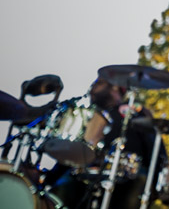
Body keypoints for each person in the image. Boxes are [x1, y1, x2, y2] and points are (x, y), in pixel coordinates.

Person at [47, 77, 162, 209]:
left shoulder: (136, 113)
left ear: (115, 87)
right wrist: (48, 178)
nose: (92, 88)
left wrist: (156, 186)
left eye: (98, 83)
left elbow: (157, 154)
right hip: (85, 177)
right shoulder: (90, 116)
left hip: (128, 179)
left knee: (138, 183)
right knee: (56, 193)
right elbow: (74, 152)